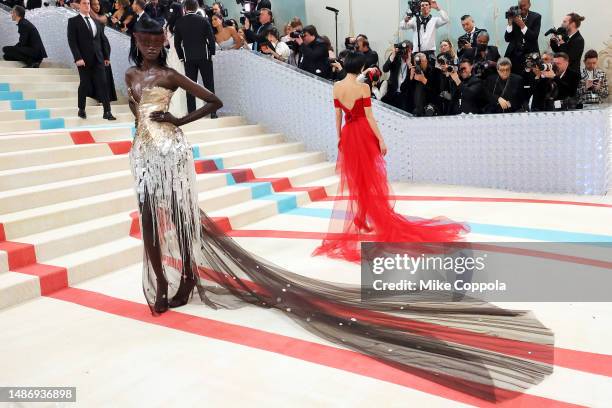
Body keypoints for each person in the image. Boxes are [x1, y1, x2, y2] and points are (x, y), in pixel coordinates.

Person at [126, 22, 554, 400]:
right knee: (372, 185)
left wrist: (178, 124)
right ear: (361, 66)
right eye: (143, 38)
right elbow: (368, 119)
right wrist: (381, 140)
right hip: (155, 155)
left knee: (349, 187)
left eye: (153, 37)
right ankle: (371, 219)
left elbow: (333, 119)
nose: (148, 44)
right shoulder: (363, 87)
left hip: (319, 139)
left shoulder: (332, 88)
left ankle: (181, 282)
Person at [67, 0, 116, 120]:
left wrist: (106, 57)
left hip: (98, 58)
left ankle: (107, 112)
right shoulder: (73, 21)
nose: (87, 5)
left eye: (88, 3)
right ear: (79, 5)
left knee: (103, 84)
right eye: (84, 3)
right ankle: (81, 109)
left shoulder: (96, 22)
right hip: (83, 59)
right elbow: (72, 41)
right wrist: (77, 58)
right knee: (85, 84)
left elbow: (102, 40)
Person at [174, 0, 217, 116]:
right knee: (209, 84)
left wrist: (182, 57)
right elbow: (211, 39)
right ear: (197, 7)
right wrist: (211, 53)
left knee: (190, 87)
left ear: (185, 8)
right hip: (204, 56)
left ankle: (192, 113)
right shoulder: (203, 20)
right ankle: (213, 112)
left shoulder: (179, 22)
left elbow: (177, 43)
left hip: (189, 58)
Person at [504, 0, 541, 74]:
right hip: (514, 55)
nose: (522, 8)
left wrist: (522, 25)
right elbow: (507, 39)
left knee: (531, 78)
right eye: (520, 6)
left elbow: (533, 37)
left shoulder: (536, 17)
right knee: (515, 79)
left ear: (529, 5)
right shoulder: (514, 15)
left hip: (530, 54)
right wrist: (510, 24)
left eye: (524, 5)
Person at [164, 1, 187, 117]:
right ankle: (186, 107)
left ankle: (171, 107)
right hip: (181, 55)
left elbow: (166, 43)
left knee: (171, 82)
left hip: (171, 55)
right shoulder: (183, 23)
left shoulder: (168, 26)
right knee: (185, 80)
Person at [380, 40, 414, 112]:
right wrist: (392, 56)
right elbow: (385, 69)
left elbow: (413, 80)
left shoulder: (414, 60)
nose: (405, 53)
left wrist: (409, 64)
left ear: (411, 51)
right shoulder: (395, 57)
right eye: (403, 50)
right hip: (392, 92)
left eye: (407, 51)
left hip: (405, 95)